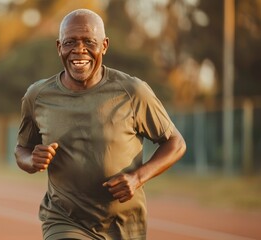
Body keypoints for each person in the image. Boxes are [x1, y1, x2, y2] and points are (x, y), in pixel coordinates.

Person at [14, 8, 186, 240]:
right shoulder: (38, 96)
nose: (79, 50)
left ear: (104, 45)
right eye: (70, 42)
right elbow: (21, 149)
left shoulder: (133, 91)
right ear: (59, 47)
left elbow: (175, 143)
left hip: (125, 225)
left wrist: (137, 178)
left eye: (88, 41)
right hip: (64, 219)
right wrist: (31, 160)